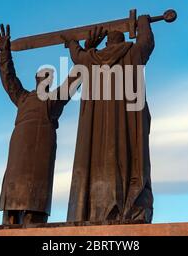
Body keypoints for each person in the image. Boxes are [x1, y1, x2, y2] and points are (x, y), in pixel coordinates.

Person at [0, 24, 101, 225]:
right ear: (36, 80)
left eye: (48, 77)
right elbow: (9, 79)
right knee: (11, 207)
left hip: (41, 153)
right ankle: (10, 221)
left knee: (36, 206)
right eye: (41, 77)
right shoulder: (23, 98)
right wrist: (4, 52)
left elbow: (75, 78)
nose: (44, 80)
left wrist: (85, 52)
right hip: (18, 152)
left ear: (50, 81)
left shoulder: (55, 99)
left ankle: (34, 222)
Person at [64, 16, 155, 223]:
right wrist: (143, 22)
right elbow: (147, 41)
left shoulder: (91, 59)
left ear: (107, 43)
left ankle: (98, 208)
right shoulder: (133, 52)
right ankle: (127, 207)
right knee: (131, 157)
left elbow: (76, 55)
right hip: (128, 122)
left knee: (100, 159)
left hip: (97, 129)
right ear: (122, 41)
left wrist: (72, 41)